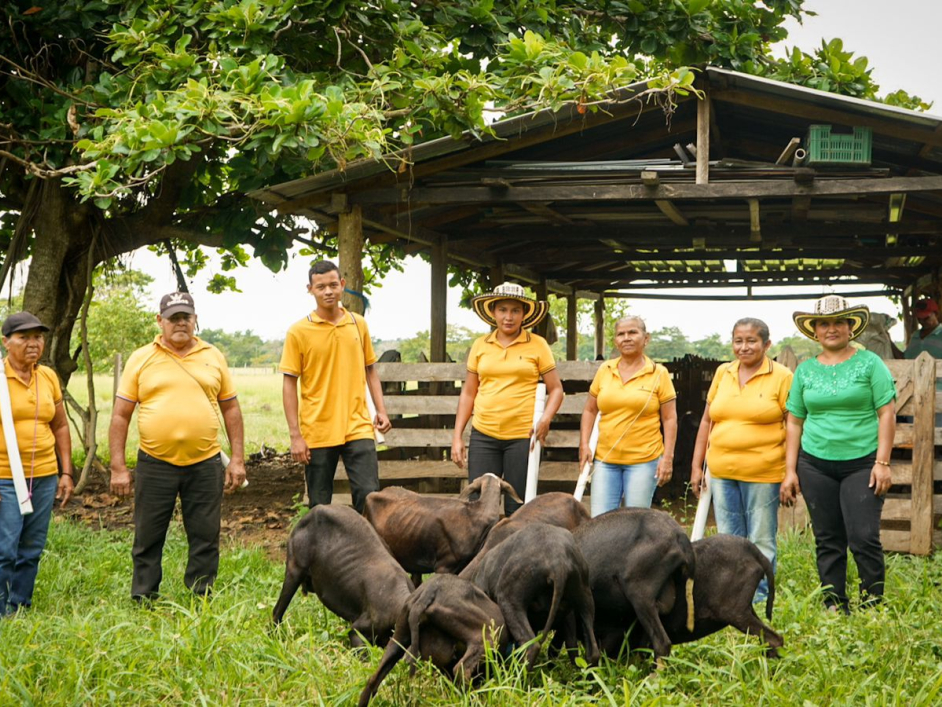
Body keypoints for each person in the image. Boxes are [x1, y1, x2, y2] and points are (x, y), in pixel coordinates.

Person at [110, 292, 246, 601]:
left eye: (186, 316)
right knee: (148, 536)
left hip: (205, 462)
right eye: (173, 318)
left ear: (195, 319)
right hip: (155, 462)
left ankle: (201, 596)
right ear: (160, 321)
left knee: (205, 535)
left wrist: (237, 459)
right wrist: (118, 467)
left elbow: (232, 409)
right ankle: (144, 597)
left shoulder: (214, 356)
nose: (180, 323)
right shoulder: (141, 357)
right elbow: (120, 414)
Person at [781, 295, 896, 614]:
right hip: (815, 464)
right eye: (824, 323)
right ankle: (834, 604)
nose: (831, 329)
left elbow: (887, 413)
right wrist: (791, 470)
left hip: (862, 463)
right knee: (828, 538)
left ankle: (872, 605)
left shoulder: (870, 364)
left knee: (863, 537)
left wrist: (882, 463)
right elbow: (794, 421)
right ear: (815, 331)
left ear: (850, 328)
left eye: (838, 322)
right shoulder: (804, 371)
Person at [690, 318, 792, 603]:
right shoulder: (724, 372)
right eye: (738, 341)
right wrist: (697, 465)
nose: (744, 347)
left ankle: (759, 596)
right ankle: (732, 594)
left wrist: (790, 471)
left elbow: (794, 425)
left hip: (763, 471)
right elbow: (707, 420)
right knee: (729, 537)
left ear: (767, 344)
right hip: (722, 470)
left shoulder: (782, 376)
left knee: (760, 538)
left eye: (751, 341)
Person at [280, 260, 391, 514]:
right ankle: (322, 553)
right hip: (318, 429)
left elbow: (370, 369)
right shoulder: (298, 331)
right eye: (321, 287)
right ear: (310, 289)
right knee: (320, 504)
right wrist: (295, 436)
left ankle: (366, 551)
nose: (328, 291)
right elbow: (289, 383)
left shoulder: (358, 324)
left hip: (358, 425)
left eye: (332, 285)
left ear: (342, 285)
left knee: (369, 495)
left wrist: (381, 411)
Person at [452, 282, 563, 515]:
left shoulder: (538, 345)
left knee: (519, 506)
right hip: (484, 434)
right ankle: (481, 552)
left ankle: (516, 551)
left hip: (523, 437)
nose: (509, 317)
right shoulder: (481, 345)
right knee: (479, 506)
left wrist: (546, 419)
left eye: (515, 311)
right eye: (503, 310)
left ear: (524, 314)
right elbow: (469, 392)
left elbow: (556, 390)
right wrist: (457, 436)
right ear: (493, 312)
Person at [0, 312, 73, 615]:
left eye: (38, 337)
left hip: (44, 476)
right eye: (24, 337)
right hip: (4, 477)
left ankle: (20, 605)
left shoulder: (48, 377)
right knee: (5, 547)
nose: (33, 344)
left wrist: (66, 471)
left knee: (31, 546)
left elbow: (60, 425)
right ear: (6, 342)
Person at [580, 316, 677, 516]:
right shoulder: (605, 370)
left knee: (635, 521)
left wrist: (667, 457)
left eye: (633, 332)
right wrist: (584, 445)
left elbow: (669, 418)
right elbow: (590, 410)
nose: (627, 338)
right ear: (615, 340)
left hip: (644, 460)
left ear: (646, 338)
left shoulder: (659, 373)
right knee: (600, 521)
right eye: (621, 334)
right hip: (605, 460)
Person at [892, 298, 942, 426]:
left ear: (936, 313)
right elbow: (905, 360)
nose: (923, 322)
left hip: (938, 393)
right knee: (916, 431)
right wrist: (889, 341)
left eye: (926, 318)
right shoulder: (915, 336)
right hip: (914, 392)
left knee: (937, 433)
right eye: (920, 319)